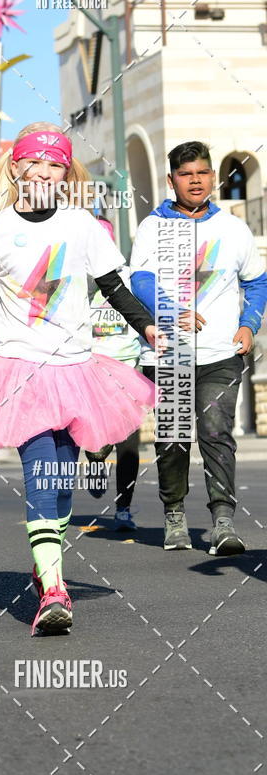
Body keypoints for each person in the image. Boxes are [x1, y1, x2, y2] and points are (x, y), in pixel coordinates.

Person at [0, 122, 159, 636]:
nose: (45, 172)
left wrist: (146, 326)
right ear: (17, 167)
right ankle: (53, 589)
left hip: (76, 369)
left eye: (56, 165)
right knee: (41, 475)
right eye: (36, 162)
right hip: (19, 370)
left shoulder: (82, 225)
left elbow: (113, 285)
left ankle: (45, 564)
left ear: (66, 174)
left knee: (62, 482)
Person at [130, 141, 267, 555]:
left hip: (221, 354)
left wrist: (249, 324)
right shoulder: (153, 227)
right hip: (169, 354)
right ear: (171, 180)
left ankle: (223, 521)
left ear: (213, 177)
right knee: (173, 440)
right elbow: (140, 280)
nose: (196, 181)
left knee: (216, 433)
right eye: (186, 174)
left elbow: (257, 281)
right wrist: (172, 311)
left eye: (203, 173)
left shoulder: (233, 228)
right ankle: (174, 514)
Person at [85, 217, 143, 532]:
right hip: (91, 373)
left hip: (128, 369)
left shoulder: (130, 280)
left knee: (129, 445)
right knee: (96, 440)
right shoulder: (79, 283)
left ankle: (123, 509)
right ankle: (95, 460)